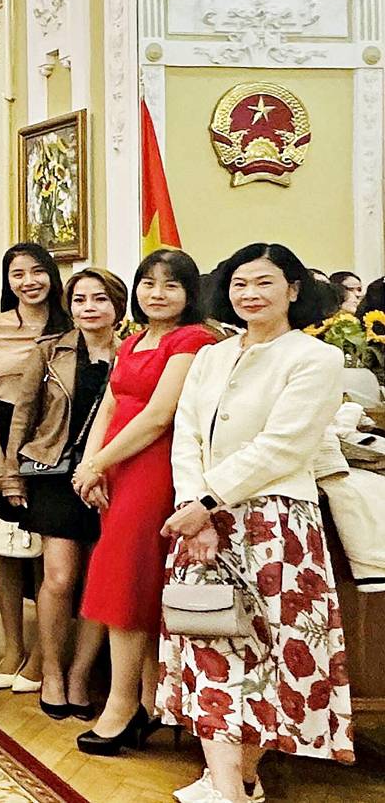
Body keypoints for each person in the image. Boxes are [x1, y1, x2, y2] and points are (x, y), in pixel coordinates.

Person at [160, 244, 353, 802]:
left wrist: (209, 501)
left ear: (293, 288)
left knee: (273, 654)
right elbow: (186, 435)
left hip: (275, 524)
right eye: (240, 283)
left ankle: (239, 778)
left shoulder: (316, 358)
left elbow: (285, 445)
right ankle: (229, 786)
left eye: (265, 282)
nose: (250, 294)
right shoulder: (211, 356)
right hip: (200, 523)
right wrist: (193, 507)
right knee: (210, 645)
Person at [70, 250, 219, 756]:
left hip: (153, 468)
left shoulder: (192, 340)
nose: (157, 293)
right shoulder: (133, 340)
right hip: (116, 465)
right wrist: (89, 466)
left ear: (190, 293)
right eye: (148, 283)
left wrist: (98, 463)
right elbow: (108, 405)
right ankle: (151, 701)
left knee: (126, 583)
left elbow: (159, 416)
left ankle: (123, 705)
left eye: (170, 284)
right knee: (128, 580)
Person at [8, 268, 125, 719]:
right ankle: (52, 672)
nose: (89, 308)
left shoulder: (132, 352)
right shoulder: (48, 351)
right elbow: (24, 415)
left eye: (99, 299)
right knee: (59, 577)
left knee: (100, 580)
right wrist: (11, 477)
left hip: (111, 475)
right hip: (54, 473)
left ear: (117, 305)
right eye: (80, 300)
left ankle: (80, 674)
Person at [0, 242, 70, 693]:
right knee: (5, 547)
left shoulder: (70, 326)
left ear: (51, 274)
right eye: (17, 274)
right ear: (7, 281)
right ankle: (13, 648)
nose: (29, 281)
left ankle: (45, 653)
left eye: (37, 271)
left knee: (48, 547)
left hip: (56, 437)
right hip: (0, 435)